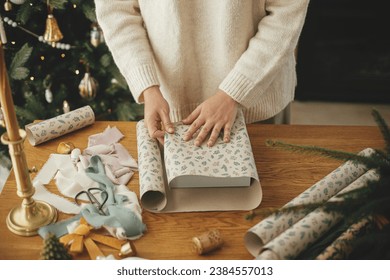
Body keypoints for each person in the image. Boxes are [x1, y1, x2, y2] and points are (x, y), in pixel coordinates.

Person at [94, 0, 310, 146]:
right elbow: (116, 11)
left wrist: (233, 93)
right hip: (169, 106)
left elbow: (286, 13)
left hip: (257, 101)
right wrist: (148, 87)